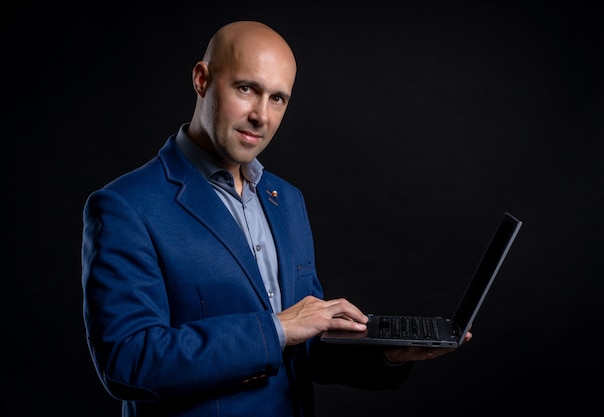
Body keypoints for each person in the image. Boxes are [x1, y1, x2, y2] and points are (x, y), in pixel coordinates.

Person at [81, 20, 471, 417]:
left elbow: (304, 345)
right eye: (246, 89)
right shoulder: (125, 206)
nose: (261, 116)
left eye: (278, 98)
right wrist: (277, 328)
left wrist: (388, 353)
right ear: (202, 79)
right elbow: (128, 362)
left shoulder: (286, 199)